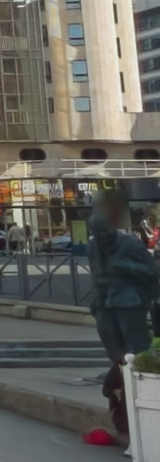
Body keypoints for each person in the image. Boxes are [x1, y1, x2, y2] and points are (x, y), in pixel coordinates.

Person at [87, 190, 158, 444]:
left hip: (128, 300)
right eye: (97, 234)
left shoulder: (128, 243)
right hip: (104, 301)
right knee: (112, 346)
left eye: (103, 233)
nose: (101, 237)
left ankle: (141, 383)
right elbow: (96, 273)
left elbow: (150, 271)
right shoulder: (94, 246)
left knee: (136, 347)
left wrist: (122, 268)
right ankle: (120, 384)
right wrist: (95, 300)